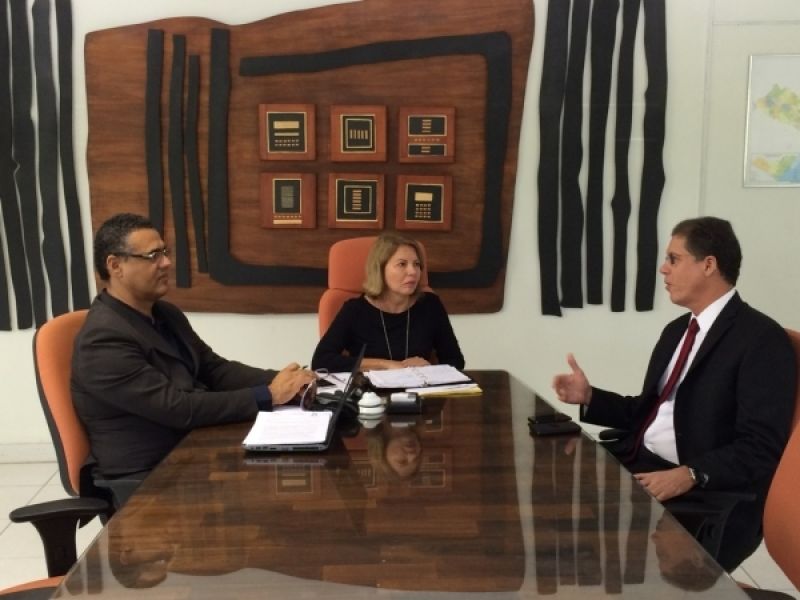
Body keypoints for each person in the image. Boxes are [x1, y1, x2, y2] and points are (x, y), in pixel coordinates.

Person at [551, 216, 796, 571]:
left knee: (589, 547)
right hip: (640, 461)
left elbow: (761, 446)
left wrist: (690, 473)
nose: (663, 269)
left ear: (708, 265)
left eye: (674, 259)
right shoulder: (677, 331)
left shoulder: (761, 340)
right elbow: (648, 412)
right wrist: (590, 397)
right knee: (550, 494)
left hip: (701, 491)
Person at [72, 213, 315, 478]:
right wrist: (269, 394)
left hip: (192, 447)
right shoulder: (103, 340)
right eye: (153, 256)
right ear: (115, 266)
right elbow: (177, 408)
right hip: (149, 475)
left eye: (165, 252)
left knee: (304, 458)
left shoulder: (166, 313)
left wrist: (287, 381)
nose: (166, 263)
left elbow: (214, 370)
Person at [311, 233, 464, 372]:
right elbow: (321, 361)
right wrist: (385, 365)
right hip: (369, 393)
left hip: (419, 390)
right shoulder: (355, 311)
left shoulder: (430, 305)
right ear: (380, 269)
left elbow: (455, 360)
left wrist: (429, 369)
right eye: (402, 264)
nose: (413, 271)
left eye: (417, 264)